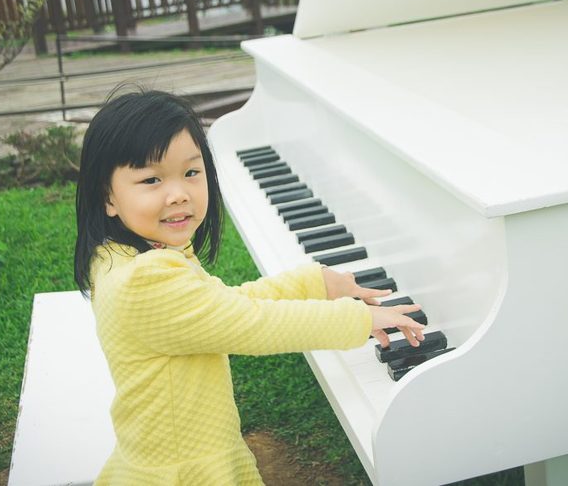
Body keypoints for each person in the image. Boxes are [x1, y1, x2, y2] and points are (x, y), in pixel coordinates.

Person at [74, 89, 426, 485]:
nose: (179, 193)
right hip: (186, 469)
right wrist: (358, 318)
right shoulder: (145, 280)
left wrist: (313, 283)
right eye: (151, 179)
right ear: (107, 196)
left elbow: (223, 306)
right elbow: (253, 323)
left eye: (191, 172)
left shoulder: (122, 257)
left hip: (171, 453)